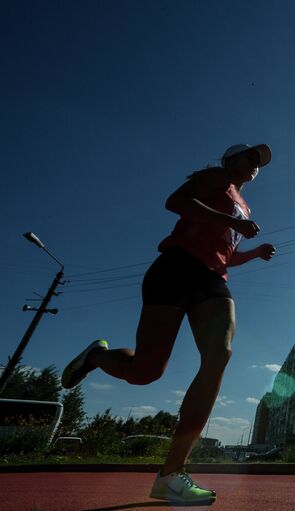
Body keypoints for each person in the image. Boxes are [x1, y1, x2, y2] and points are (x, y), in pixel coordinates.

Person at [61, 143, 276, 504]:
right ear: (230, 160)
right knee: (146, 372)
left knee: (219, 354)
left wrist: (255, 252)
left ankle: (171, 473)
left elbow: (226, 254)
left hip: (213, 280)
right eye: (249, 156)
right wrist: (230, 220)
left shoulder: (245, 204)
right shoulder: (216, 178)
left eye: (259, 162)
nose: (255, 163)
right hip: (176, 268)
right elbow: (176, 203)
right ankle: (97, 357)